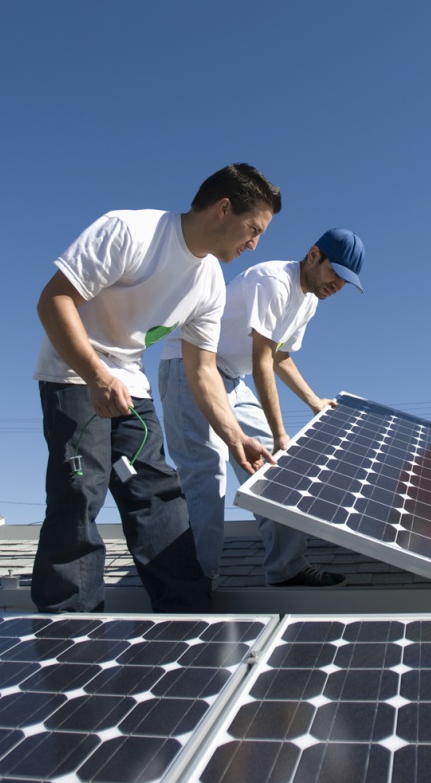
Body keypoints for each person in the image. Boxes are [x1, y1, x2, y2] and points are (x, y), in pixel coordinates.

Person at [30, 163, 281, 614]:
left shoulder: (209, 284)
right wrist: (94, 374)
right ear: (224, 208)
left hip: (129, 382)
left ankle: (187, 616)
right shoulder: (130, 230)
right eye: (253, 229)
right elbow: (54, 300)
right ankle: (68, 629)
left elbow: (202, 370)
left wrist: (235, 436)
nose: (254, 243)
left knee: (158, 492)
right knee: (80, 490)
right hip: (73, 372)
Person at [158, 228, 366, 587]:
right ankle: (195, 585)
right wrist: (281, 432)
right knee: (207, 476)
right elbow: (262, 362)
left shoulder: (309, 301)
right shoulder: (273, 281)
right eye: (336, 273)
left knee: (274, 466)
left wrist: (314, 402)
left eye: (347, 282)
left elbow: (281, 356)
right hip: (188, 367)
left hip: (230, 379)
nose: (338, 286)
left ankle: (288, 568)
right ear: (314, 255)